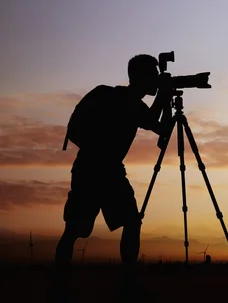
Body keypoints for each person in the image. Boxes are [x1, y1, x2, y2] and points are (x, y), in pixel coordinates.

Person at [52, 54, 171, 297]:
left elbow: (160, 127)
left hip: (108, 172)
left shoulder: (131, 104)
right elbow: (152, 121)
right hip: (92, 170)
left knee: (130, 221)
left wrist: (165, 98)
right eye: (153, 75)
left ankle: (126, 282)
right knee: (76, 228)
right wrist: (163, 96)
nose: (155, 80)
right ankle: (60, 285)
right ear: (139, 77)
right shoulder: (118, 98)